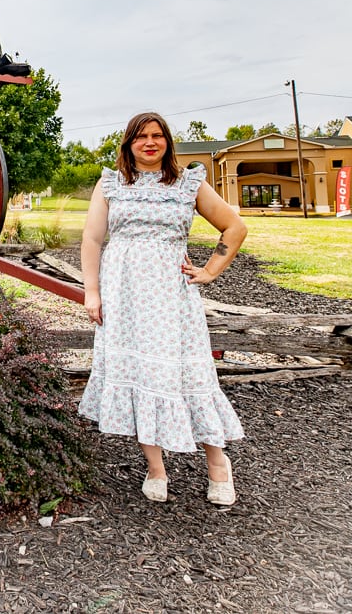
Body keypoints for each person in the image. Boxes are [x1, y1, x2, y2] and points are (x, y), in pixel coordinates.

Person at [76, 112, 247, 505]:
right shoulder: (111, 183)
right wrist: (92, 292)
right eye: (141, 137)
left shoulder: (189, 183)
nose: (149, 143)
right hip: (124, 297)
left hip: (171, 300)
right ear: (128, 143)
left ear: (168, 141)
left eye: (157, 136)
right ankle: (156, 468)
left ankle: (218, 467)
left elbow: (234, 228)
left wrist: (209, 270)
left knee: (188, 375)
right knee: (138, 374)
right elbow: (91, 239)